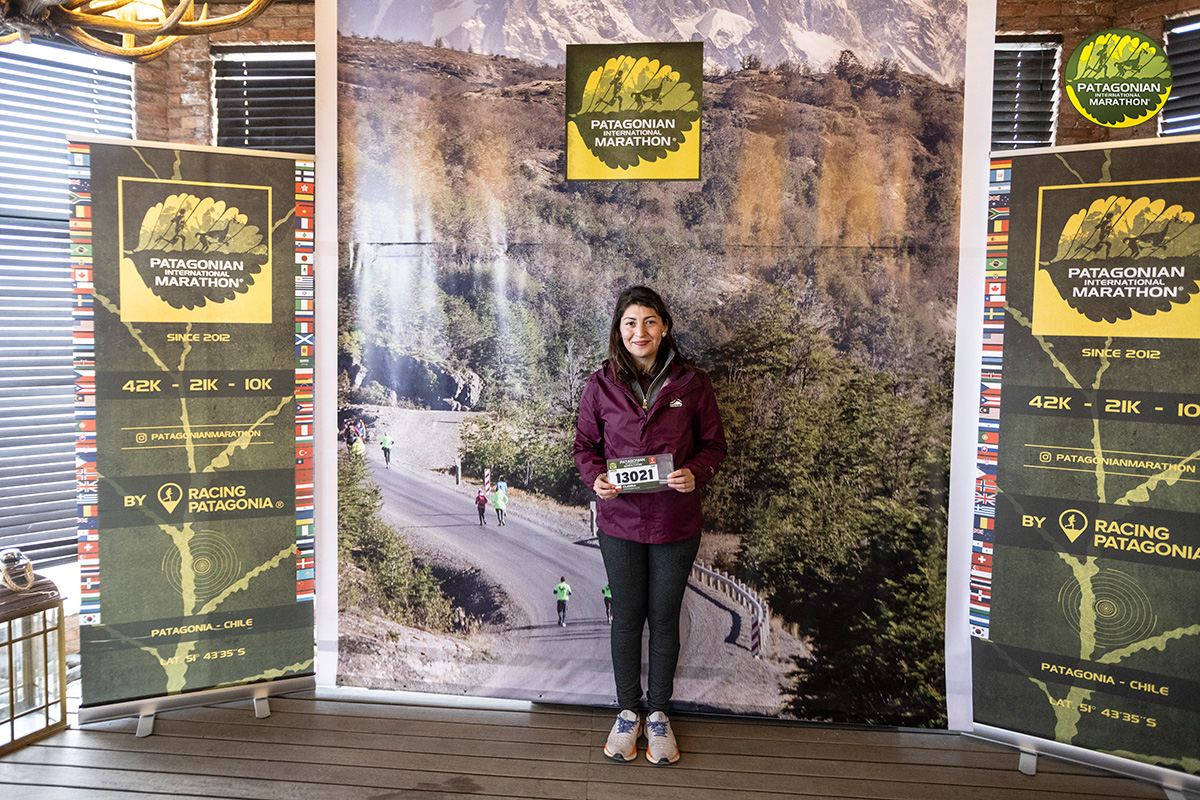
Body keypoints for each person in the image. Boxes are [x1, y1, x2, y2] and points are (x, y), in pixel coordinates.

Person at [574, 285, 726, 766]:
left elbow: (714, 446)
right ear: (618, 330)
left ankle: (657, 714)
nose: (639, 332)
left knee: (663, 618)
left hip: (674, 522)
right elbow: (584, 448)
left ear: (664, 327)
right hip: (619, 523)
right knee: (626, 617)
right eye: (629, 323)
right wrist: (596, 478)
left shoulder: (693, 383)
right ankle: (627, 712)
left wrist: (695, 473)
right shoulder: (599, 385)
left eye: (649, 322)